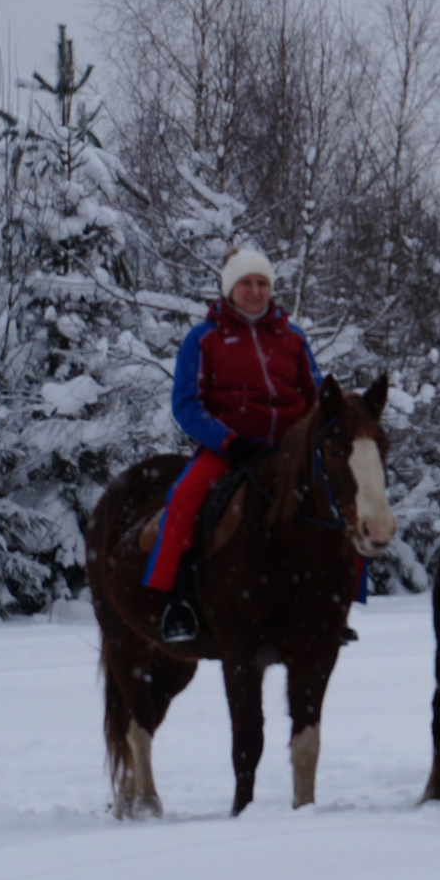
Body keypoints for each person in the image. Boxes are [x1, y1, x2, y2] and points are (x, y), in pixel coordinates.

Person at [145, 246, 322, 642]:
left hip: (290, 451)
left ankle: (333, 603)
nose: (256, 290)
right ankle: (176, 600)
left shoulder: (293, 338)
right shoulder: (203, 338)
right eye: (246, 282)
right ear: (229, 289)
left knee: (343, 493)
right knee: (185, 497)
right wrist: (229, 442)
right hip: (231, 449)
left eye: (262, 283)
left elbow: (316, 394)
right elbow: (186, 405)